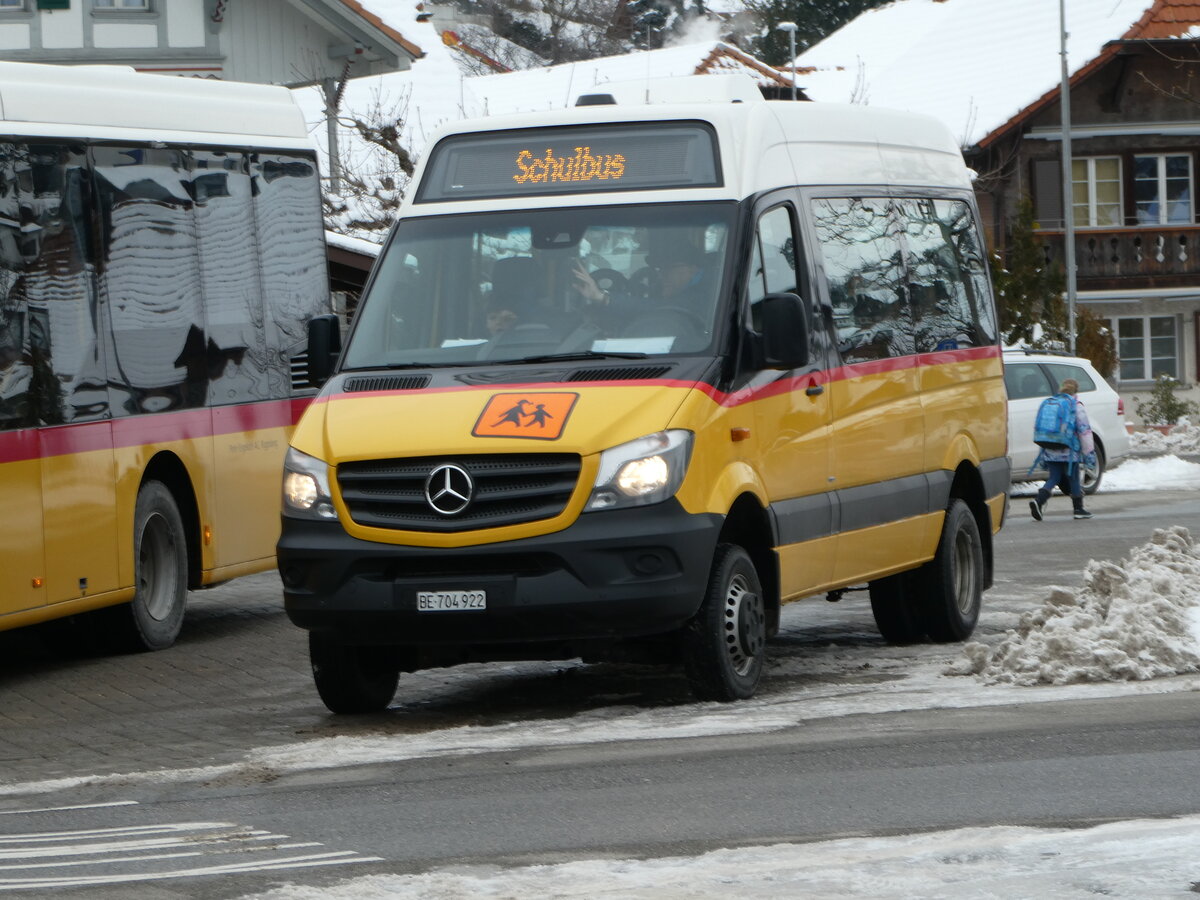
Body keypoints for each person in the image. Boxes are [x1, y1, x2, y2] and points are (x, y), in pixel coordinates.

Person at [1029, 377, 1096, 521]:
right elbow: (1084, 432)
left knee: (1054, 477)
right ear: (1076, 391)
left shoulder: (1051, 402)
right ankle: (1078, 509)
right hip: (1069, 451)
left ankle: (1039, 501)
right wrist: (1089, 454)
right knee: (1073, 478)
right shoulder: (1076, 405)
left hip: (1050, 447)